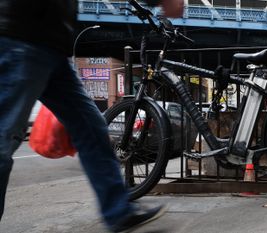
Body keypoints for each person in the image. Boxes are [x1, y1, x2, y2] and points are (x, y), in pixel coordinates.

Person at [0, 0, 183, 232]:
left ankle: (118, 212)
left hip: (52, 46)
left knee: (93, 131)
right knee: (3, 138)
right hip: (21, 37)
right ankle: (118, 211)